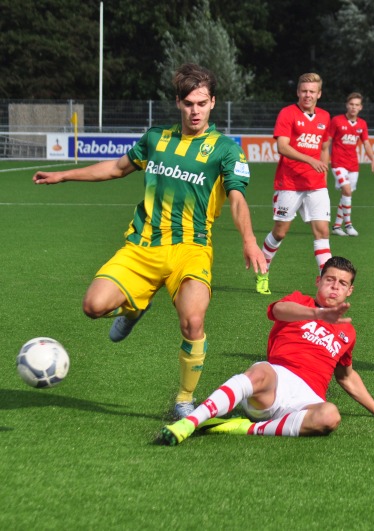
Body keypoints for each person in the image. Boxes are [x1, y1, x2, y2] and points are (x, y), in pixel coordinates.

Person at [32, 64, 267, 418]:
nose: (195, 110)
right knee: (93, 307)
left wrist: (249, 240)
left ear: (213, 103)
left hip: (191, 250)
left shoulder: (225, 151)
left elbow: (237, 199)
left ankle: (184, 399)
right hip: (142, 248)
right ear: (178, 102)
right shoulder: (156, 139)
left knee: (193, 322)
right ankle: (134, 307)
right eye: (188, 103)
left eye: (202, 103)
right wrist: (64, 175)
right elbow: (116, 168)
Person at [160, 256, 374, 445]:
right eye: (330, 280)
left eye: (342, 283)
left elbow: (346, 376)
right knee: (260, 370)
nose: (335, 287)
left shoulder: (348, 332)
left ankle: (243, 428)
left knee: (330, 416)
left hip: (307, 398)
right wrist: (317, 313)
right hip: (275, 381)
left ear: (350, 290)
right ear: (318, 281)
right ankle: (190, 423)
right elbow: (279, 310)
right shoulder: (299, 302)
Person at [256, 73, 332, 295]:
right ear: (298, 92)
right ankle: (263, 271)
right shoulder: (287, 113)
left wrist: (324, 174)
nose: (308, 95)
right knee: (280, 232)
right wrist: (310, 160)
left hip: (316, 185)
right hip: (289, 182)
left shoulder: (325, 117)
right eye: (304, 91)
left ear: (319, 93)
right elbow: (282, 146)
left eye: (312, 91)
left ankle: (326, 284)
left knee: (322, 232)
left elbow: (325, 146)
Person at [329, 92, 374, 237]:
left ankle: (337, 226)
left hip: (353, 165)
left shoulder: (362, 124)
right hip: (338, 163)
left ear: (360, 107)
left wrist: (373, 159)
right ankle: (348, 224)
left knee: (346, 194)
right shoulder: (337, 120)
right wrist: (323, 159)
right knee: (347, 190)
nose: (353, 107)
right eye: (351, 104)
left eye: (356, 105)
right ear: (347, 105)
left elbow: (366, 143)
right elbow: (327, 141)